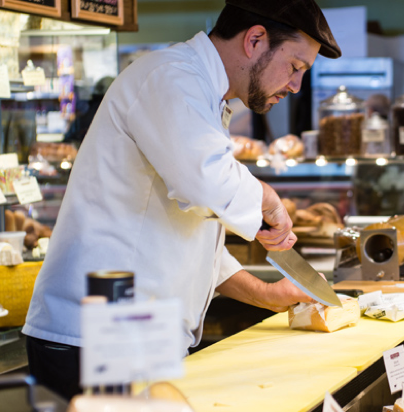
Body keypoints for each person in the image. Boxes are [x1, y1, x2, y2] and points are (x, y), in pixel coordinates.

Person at [22, 0, 341, 401]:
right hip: (97, 336)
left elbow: (190, 238)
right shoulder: (170, 77)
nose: (295, 86)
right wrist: (266, 197)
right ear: (255, 40)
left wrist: (266, 294)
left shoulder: (203, 94)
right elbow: (207, 183)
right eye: (294, 67)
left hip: (135, 336)